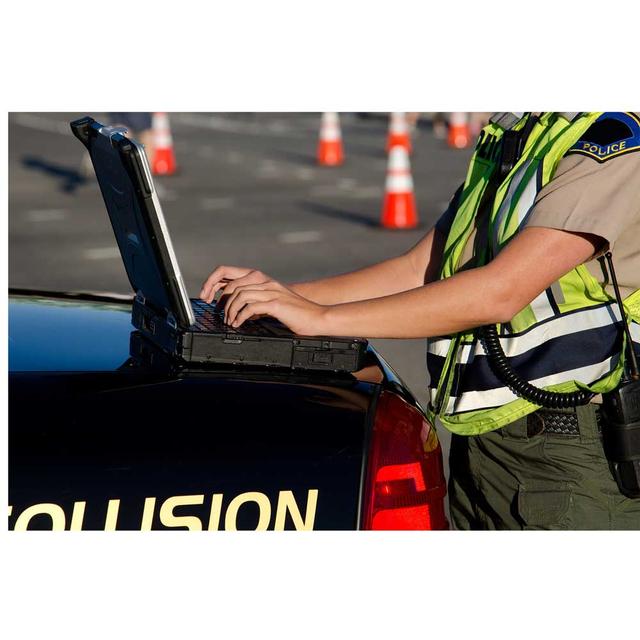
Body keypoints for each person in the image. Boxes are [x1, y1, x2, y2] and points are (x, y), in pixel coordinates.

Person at [200, 112, 640, 530]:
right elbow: (420, 267)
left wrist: (319, 318)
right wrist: (280, 297)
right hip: (487, 439)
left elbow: (501, 292)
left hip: (572, 449)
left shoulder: (614, 139)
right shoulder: (522, 131)